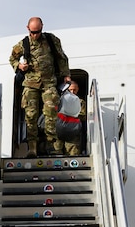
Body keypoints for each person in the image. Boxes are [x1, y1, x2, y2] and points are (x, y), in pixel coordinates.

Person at [8, 16, 69, 157]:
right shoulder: (23, 44)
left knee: (51, 114)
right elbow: (12, 59)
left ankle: (52, 147)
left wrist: (66, 75)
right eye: (33, 32)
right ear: (28, 28)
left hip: (49, 83)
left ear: (42, 28)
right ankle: (32, 148)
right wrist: (19, 66)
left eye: (38, 31)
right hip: (30, 83)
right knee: (31, 116)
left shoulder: (51, 40)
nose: (35, 35)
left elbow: (61, 57)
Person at [54, 77, 85, 156]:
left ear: (78, 89)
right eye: (70, 90)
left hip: (72, 129)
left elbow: (83, 115)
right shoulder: (59, 100)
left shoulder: (80, 101)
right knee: (56, 151)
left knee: (73, 153)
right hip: (59, 128)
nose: (72, 92)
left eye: (74, 90)